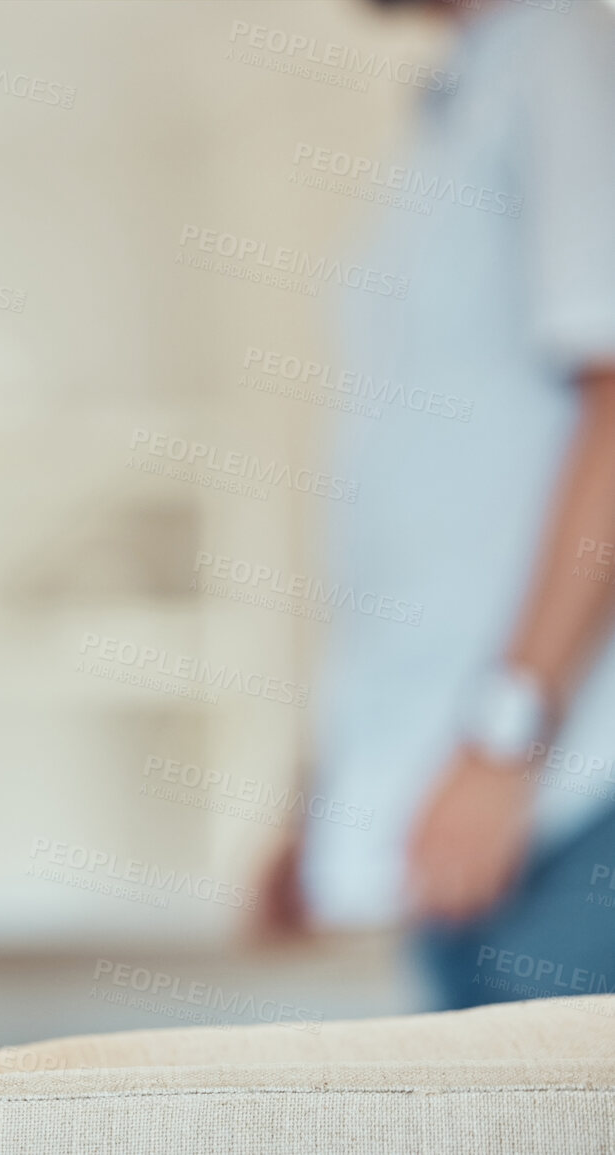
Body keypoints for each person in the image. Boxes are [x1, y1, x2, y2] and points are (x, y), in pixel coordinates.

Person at [262, 0, 615, 1009]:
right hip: (459, 809)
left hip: (566, 792)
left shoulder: (565, 50)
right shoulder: (468, 95)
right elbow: (424, 509)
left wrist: (507, 740)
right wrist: (325, 796)